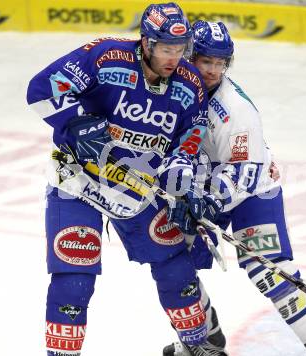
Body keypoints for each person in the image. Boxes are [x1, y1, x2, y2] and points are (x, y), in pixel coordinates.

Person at [26, 4, 225, 355]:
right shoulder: (105, 56)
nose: (174, 58)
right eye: (166, 48)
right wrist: (75, 122)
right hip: (77, 181)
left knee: (176, 268)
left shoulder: (189, 85)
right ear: (147, 42)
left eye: (180, 50)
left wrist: (182, 182)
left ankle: (198, 348)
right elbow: (41, 88)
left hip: (137, 190)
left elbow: (189, 139)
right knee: (74, 278)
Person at [163, 21, 306, 356]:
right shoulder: (172, 86)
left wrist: (207, 200)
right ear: (190, 55)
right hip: (197, 186)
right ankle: (204, 337)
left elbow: (247, 171)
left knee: (266, 267)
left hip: (251, 190)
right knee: (173, 263)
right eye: (207, 62)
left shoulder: (235, 110)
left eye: (221, 64)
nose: (214, 70)